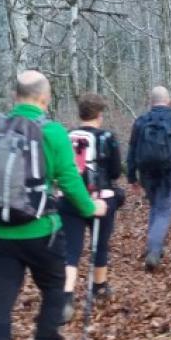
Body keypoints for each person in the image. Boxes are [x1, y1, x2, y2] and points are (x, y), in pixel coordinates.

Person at [0, 70, 108, 340]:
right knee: (55, 290)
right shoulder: (52, 132)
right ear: (44, 99)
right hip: (40, 233)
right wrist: (91, 208)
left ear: (16, 96)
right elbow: (70, 180)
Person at [60, 93, 123, 324]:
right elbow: (116, 171)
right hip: (100, 199)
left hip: (69, 199)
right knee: (100, 245)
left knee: (71, 248)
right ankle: (99, 287)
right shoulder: (107, 137)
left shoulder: (66, 136)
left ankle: (66, 297)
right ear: (99, 115)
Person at [128, 86, 171, 271]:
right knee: (163, 210)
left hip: (146, 173)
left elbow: (132, 150)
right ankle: (154, 251)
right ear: (169, 101)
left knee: (155, 207)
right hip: (168, 172)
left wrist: (132, 176)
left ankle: (153, 246)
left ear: (151, 101)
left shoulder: (140, 121)